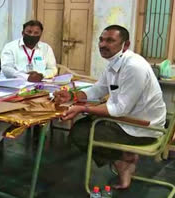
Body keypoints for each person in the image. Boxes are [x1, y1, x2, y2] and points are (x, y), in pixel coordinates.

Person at [54, 25, 166, 190]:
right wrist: (72, 96)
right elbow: (98, 89)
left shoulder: (134, 67)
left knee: (80, 134)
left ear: (125, 45)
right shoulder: (115, 62)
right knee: (84, 126)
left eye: (110, 40)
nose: (102, 44)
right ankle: (125, 157)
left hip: (143, 128)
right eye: (101, 39)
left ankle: (123, 161)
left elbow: (120, 109)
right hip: (129, 121)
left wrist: (82, 108)